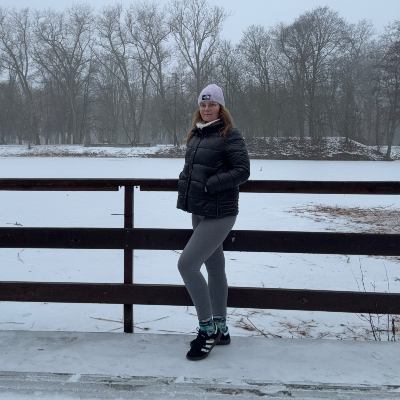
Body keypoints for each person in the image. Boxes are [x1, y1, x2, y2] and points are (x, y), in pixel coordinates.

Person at [177, 83, 250, 361]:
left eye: (212, 104)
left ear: (221, 107)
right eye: (203, 104)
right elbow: (191, 169)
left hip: (221, 212)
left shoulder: (229, 134)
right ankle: (222, 328)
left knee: (187, 264)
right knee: (215, 267)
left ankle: (207, 331)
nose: (207, 108)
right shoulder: (196, 134)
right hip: (200, 209)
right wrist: (185, 184)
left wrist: (211, 184)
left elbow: (242, 171)